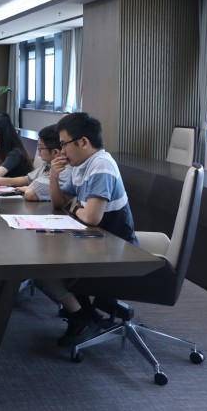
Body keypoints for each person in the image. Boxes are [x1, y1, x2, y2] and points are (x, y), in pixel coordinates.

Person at [39, 112, 139, 347]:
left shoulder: (101, 165)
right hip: (94, 243)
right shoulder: (81, 165)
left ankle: (80, 318)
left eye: (64, 144)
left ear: (83, 142)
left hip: (116, 251)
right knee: (43, 254)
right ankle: (85, 313)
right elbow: (59, 203)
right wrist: (53, 177)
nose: (62, 151)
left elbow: (92, 217)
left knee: (42, 266)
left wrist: (76, 208)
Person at [0, 124, 70, 201]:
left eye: (40, 148)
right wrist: (3, 181)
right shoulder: (48, 163)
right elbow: (28, 179)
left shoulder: (63, 171)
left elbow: (30, 193)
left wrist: (26, 188)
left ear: (55, 152)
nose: (38, 152)